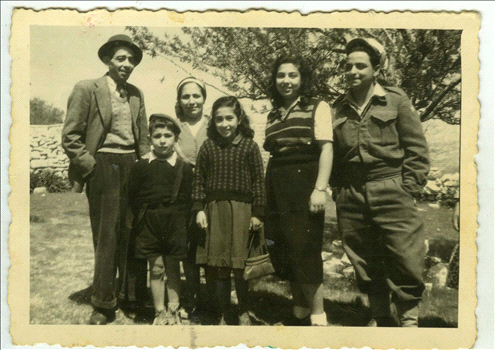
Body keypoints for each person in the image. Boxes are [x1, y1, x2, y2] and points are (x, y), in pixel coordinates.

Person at [331, 37, 430, 327]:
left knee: (404, 256)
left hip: (391, 188)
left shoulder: (396, 100)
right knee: (363, 258)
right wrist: (339, 191)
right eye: (348, 66)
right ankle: (380, 315)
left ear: (376, 69)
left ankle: (409, 320)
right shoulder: (338, 107)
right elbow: (333, 154)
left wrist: (408, 188)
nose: (353, 71)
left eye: (361, 65)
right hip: (351, 194)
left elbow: (417, 149)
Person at [62, 34, 149, 325]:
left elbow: (144, 138)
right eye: (121, 58)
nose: (127, 64)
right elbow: (70, 136)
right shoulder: (88, 88)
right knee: (108, 236)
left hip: (132, 166)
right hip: (103, 165)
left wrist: (146, 166)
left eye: (131, 60)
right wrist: (91, 166)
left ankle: (132, 297)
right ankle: (103, 303)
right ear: (107, 60)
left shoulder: (136, 93)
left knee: (134, 231)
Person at [263, 55, 333, 326]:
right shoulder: (273, 113)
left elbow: (326, 147)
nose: (286, 81)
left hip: (305, 182)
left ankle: (318, 316)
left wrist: (319, 189)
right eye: (281, 75)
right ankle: (299, 312)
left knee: (305, 248)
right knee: (283, 245)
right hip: (278, 182)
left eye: (293, 75)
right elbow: (274, 154)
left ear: (303, 79)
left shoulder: (318, 107)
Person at [192, 96, 266, 325]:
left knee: (240, 264)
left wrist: (257, 213)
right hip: (214, 211)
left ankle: (243, 309)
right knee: (218, 265)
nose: (225, 124)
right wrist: (199, 208)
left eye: (229, 118)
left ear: (239, 119)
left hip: (242, 212)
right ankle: (223, 311)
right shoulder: (208, 146)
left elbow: (258, 182)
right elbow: (198, 180)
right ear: (212, 122)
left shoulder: (249, 146)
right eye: (219, 119)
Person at [128, 114, 193, 325]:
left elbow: (188, 198)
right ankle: (159, 311)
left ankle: (173, 309)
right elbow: (132, 195)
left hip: (175, 222)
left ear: (175, 138)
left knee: (173, 266)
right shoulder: (141, 165)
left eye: (167, 135)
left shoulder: (184, 168)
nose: (163, 140)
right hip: (149, 223)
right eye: (157, 136)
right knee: (156, 268)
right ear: (150, 138)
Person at [173, 77, 210, 317]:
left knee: (211, 245)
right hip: (183, 195)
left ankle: (214, 299)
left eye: (196, 95)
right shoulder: (175, 126)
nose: (191, 101)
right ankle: (191, 297)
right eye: (185, 96)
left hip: (212, 192)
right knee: (188, 248)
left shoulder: (214, 123)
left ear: (204, 98)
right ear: (179, 100)